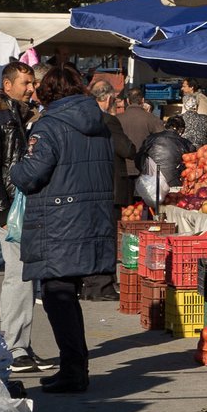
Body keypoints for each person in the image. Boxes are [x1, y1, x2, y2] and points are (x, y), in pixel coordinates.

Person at [11, 65, 118, 393]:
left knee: (58, 293)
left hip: (58, 221)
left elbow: (31, 175)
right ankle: (75, 366)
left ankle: (74, 370)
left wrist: (15, 168)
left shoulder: (50, 126)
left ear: (49, 93)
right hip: (90, 217)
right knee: (66, 293)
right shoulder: (99, 125)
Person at [0, 62, 51, 371]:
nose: (32, 88)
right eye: (26, 83)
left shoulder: (17, 115)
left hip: (19, 204)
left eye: (32, 83)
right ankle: (15, 348)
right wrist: (2, 214)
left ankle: (21, 345)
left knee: (24, 273)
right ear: (7, 84)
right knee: (18, 274)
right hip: (7, 207)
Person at [83, 78, 135, 300]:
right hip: (109, 186)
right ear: (107, 98)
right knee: (106, 236)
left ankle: (89, 284)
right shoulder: (108, 120)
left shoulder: (83, 118)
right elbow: (125, 149)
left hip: (87, 185)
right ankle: (102, 286)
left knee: (91, 235)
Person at [136, 116, 194, 210]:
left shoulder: (151, 138)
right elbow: (190, 165)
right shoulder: (186, 144)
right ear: (182, 130)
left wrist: (146, 173)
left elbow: (139, 159)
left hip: (152, 182)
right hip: (175, 184)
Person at [115, 87, 165, 157]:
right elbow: (163, 141)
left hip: (122, 163)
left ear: (128, 101)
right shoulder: (152, 119)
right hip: (144, 162)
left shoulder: (116, 119)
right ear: (143, 100)